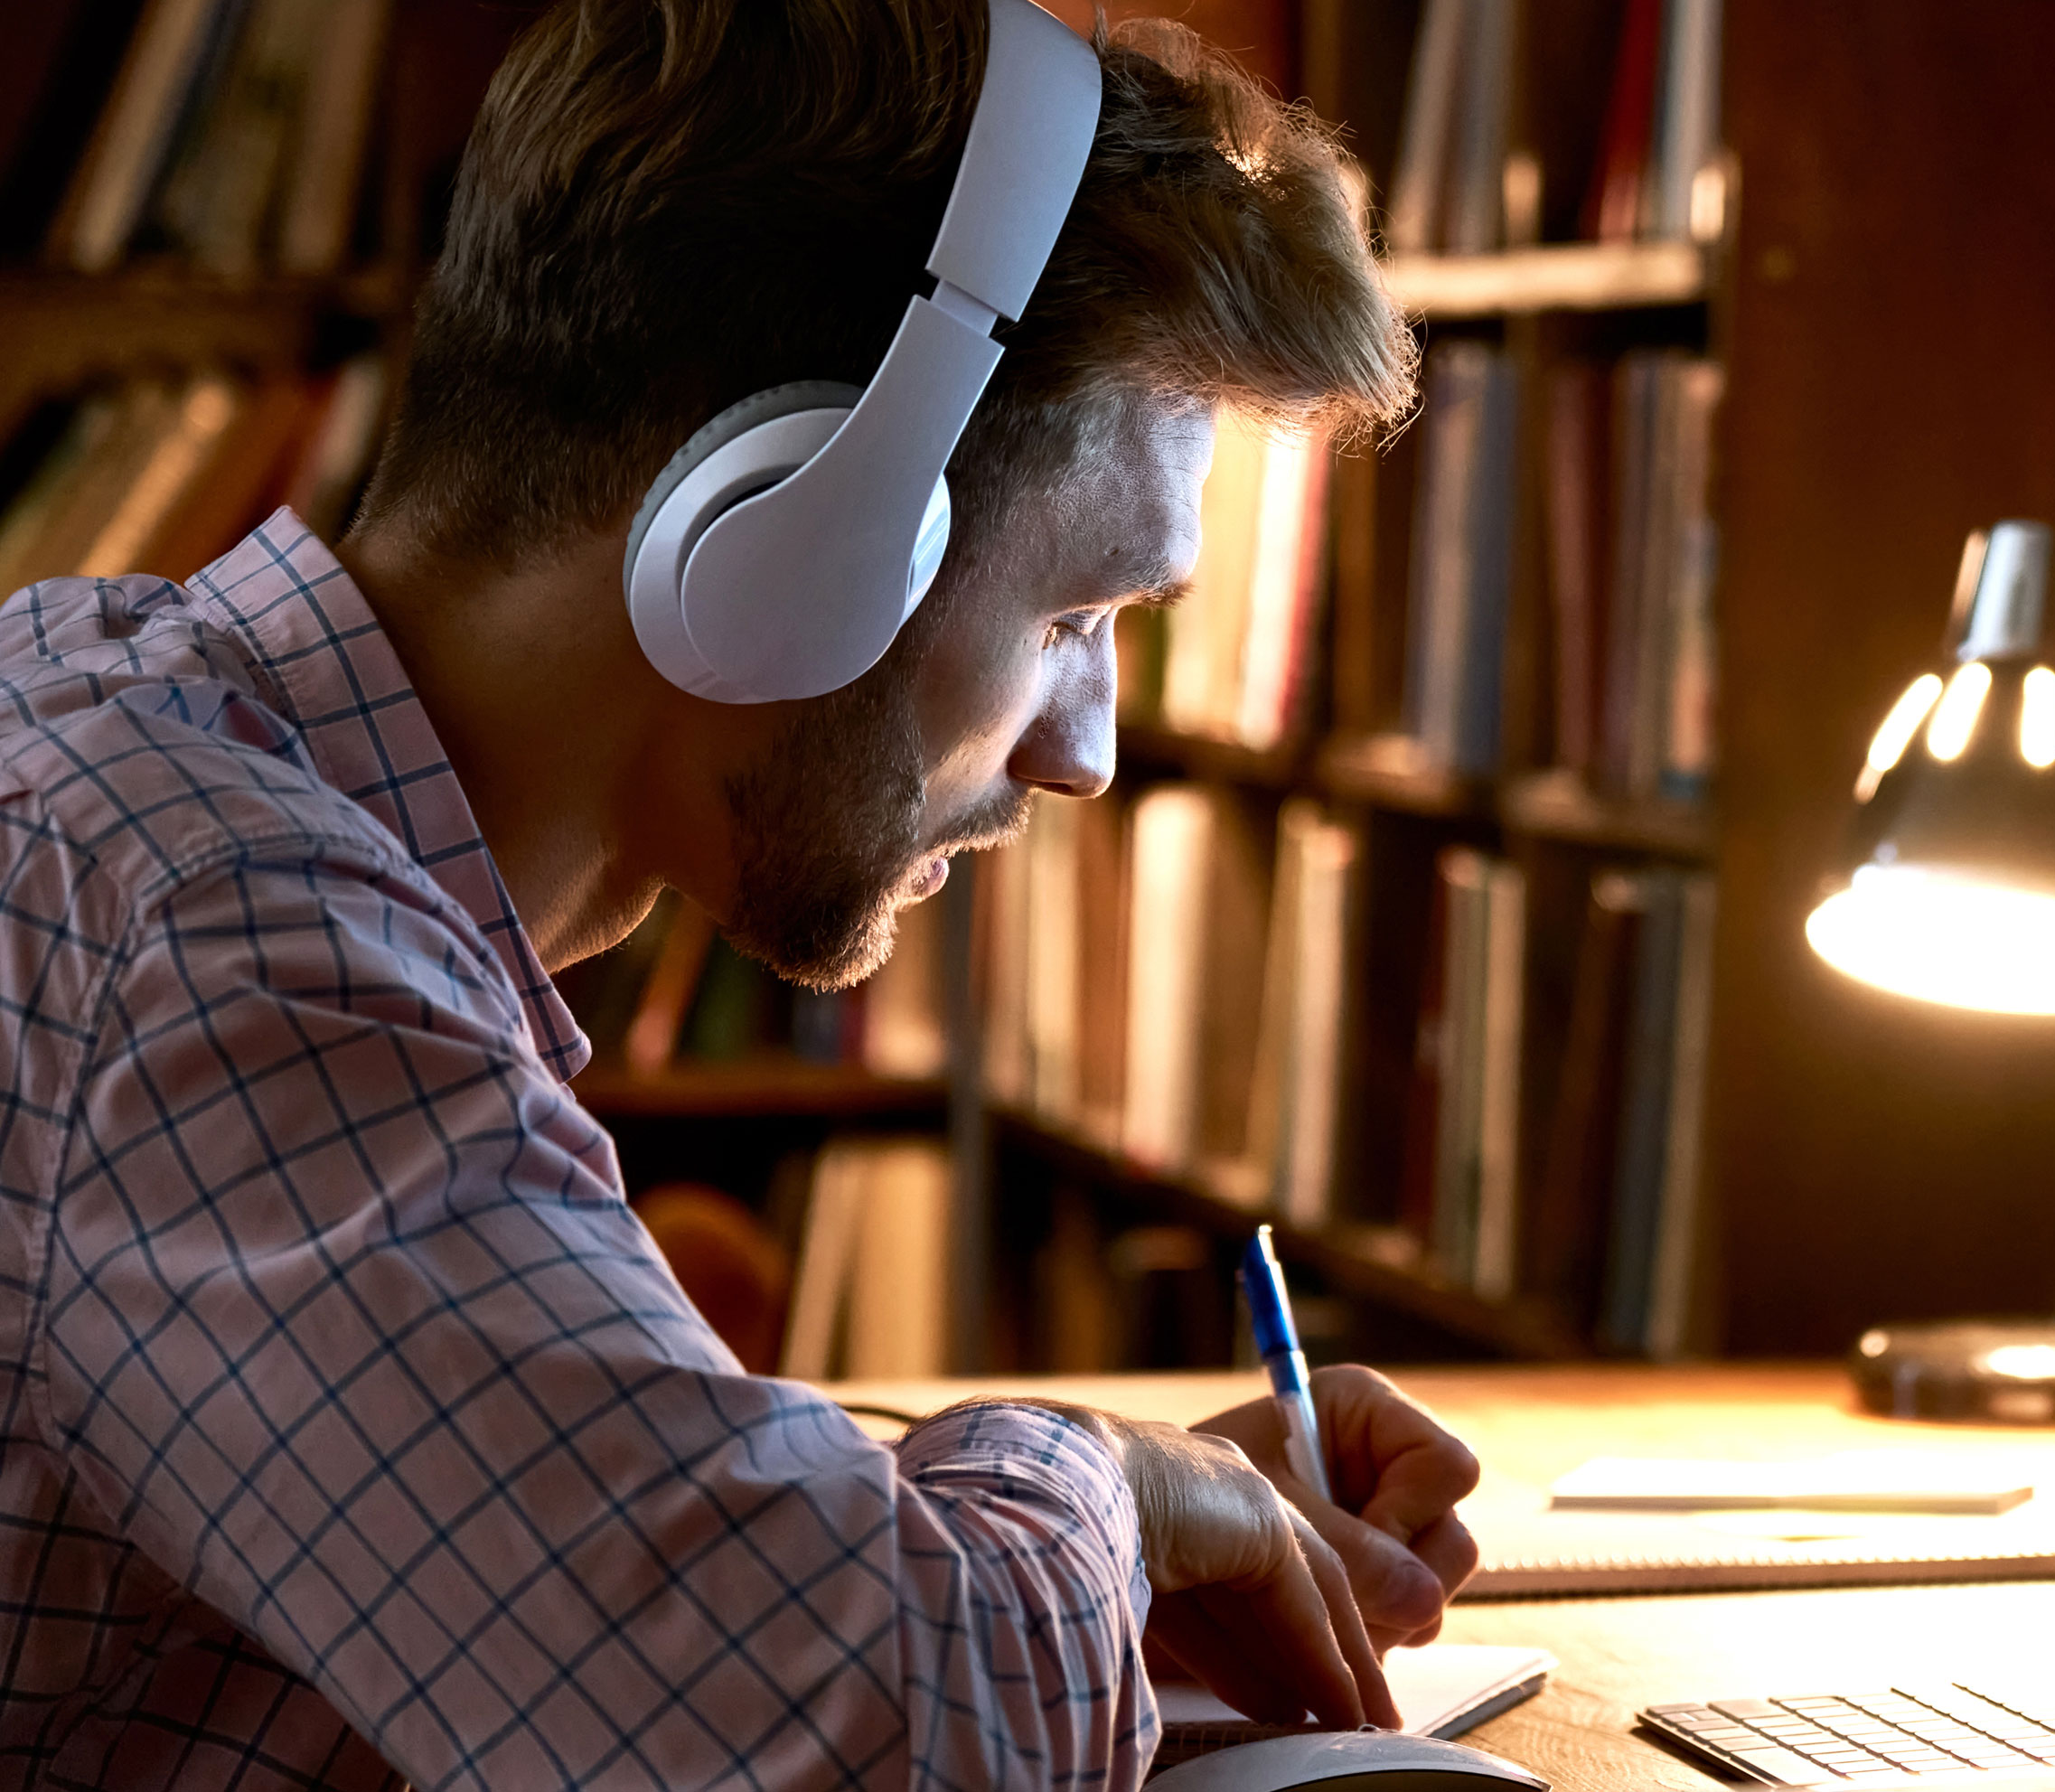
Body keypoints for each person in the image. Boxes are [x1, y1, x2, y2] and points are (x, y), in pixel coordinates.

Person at [0, 5, 1471, 1785]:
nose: (1086, 754)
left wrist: (1001, 1536)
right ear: (787, 537)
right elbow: (870, 1751)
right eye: (1080, 617)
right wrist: (1099, 1476)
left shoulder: (126, 745)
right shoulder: (228, 942)